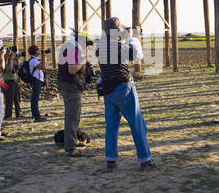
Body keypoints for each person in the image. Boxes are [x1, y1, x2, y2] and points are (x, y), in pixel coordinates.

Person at [95, 17, 156, 172]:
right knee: (136, 124)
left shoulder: (99, 47)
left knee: (111, 126)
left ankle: (111, 161)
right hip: (124, 87)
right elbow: (138, 56)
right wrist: (132, 38)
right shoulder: (120, 46)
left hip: (108, 90)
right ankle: (145, 160)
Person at [58, 33, 94, 157]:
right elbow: (72, 69)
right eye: (86, 44)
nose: (86, 48)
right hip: (71, 87)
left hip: (66, 86)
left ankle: (72, 141)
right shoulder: (73, 50)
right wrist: (84, 61)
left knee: (71, 116)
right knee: (72, 117)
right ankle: (71, 148)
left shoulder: (67, 47)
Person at [28, 45, 48, 122]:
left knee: (34, 99)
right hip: (36, 81)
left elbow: (42, 65)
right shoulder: (33, 60)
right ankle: (37, 116)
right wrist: (43, 56)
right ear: (35, 51)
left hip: (37, 80)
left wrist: (44, 57)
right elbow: (43, 67)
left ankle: (35, 115)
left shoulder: (34, 60)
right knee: (35, 99)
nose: (39, 51)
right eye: (38, 50)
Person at [2, 49, 23, 119]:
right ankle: (8, 115)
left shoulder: (12, 61)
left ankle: (18, 113)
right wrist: (10, 60)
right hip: (8, 82)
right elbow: (10, 69)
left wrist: (16, 60)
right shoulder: (3, 63)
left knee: (17, 99)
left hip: (14, 81)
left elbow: (15, 70)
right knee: (9, 99)